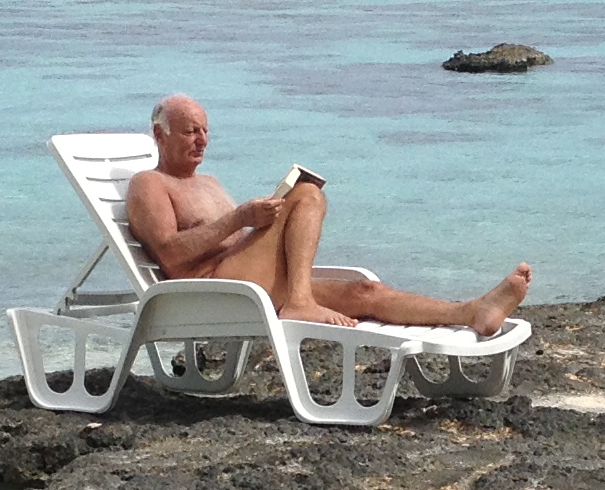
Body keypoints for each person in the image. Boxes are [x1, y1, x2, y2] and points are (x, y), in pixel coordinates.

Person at [122, 94, 533, 338]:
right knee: (307, 193)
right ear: (160, 135)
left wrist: (260, 217)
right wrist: (240, 217)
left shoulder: (208, 182)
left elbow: (235, 238)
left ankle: (472, 311)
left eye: (205, 131)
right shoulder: (149, 184)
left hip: (249, 282)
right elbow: (172, 256)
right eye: (191, 130)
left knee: (364, 294)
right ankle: (299, 301)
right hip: (211, 292)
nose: (202, 140)